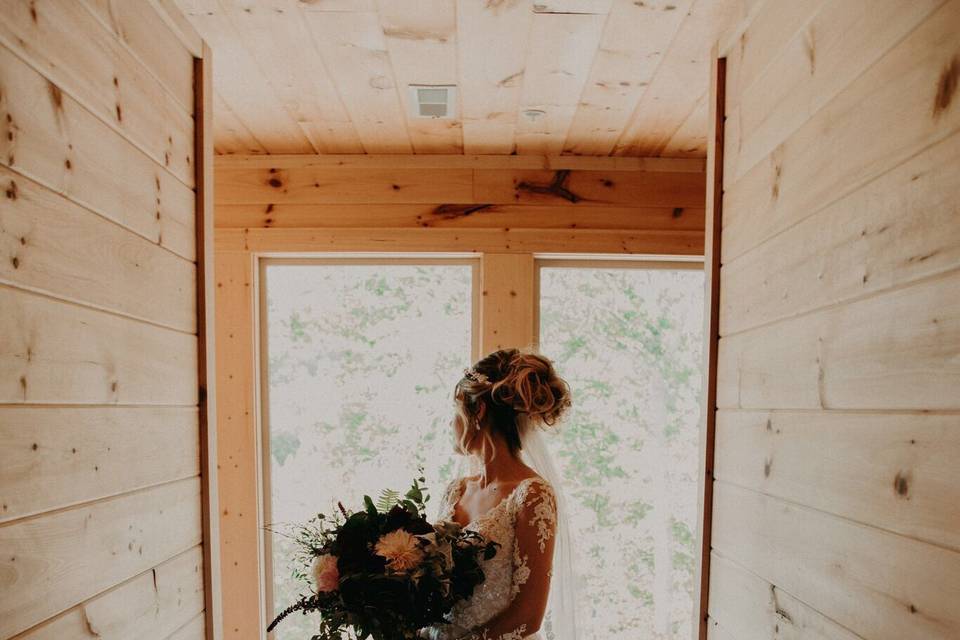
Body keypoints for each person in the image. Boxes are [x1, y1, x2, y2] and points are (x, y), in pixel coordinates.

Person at [423, 348, 576, 640]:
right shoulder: (455, 490)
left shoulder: (532, 494)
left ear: (477, 411)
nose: (450, 425)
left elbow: (529, 616)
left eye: (454, 413)